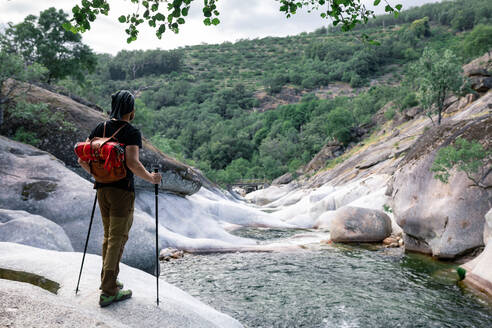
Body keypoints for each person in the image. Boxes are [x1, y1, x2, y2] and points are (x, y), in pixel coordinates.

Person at [78, 90, 161, 307]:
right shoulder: (131, 132)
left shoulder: (100, 128)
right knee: (118, 238)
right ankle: (108, 291)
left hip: (102, 190)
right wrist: (152, 178)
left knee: (109, 237)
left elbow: (82, 159)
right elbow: (133, 164)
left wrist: (97, 175)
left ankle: (110, 280)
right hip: (122, 192)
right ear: (131, 111)